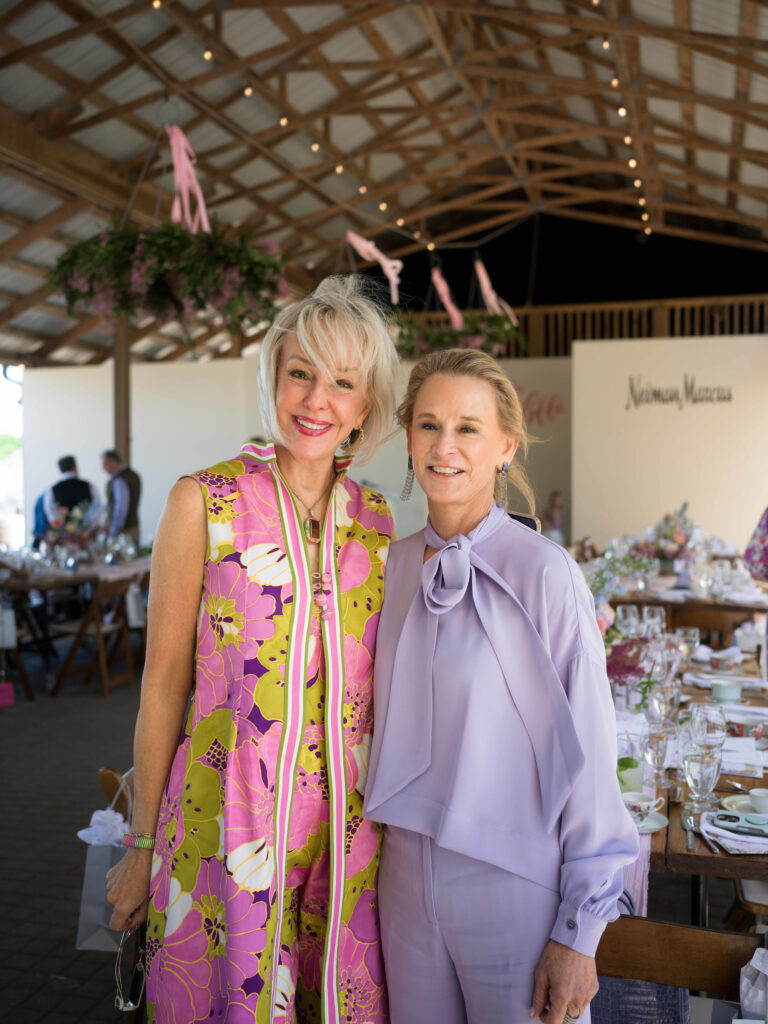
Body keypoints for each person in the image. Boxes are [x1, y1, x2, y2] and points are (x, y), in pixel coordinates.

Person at [106, 276, 399, 1024]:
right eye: (299, 372)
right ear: (273, 378)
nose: (315, 400)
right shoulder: (203, 500)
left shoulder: (377, 521)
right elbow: (164, 682)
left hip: (348, 832)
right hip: (223, 821)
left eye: (341, 382)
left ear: (364, 405)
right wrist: (141, 845)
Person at [363, 349, 639, 1024]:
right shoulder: (383, 568)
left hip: (513, 883)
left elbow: (594, 758)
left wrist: (579, 932)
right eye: (428, 426)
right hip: (400, 884)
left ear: (505, 446)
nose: (444, 446)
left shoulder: (546, 574)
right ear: (408, 438)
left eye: (467, 428)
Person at [42, 455, 100, 527]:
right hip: (85, 531)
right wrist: (89, 524)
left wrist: (59, 526)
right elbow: (97, 506)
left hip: (63, 533)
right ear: (74, 467)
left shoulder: (52, 489)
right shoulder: (88, 485)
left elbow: (50, 510)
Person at [101, 449, 141, 542]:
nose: (103, 469)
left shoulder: (119, 480)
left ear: (112, 462)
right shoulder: (134, 475)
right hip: (134, 526)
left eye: (104, 465)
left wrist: (114, 530)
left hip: (124, 532)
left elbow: (121, 507)